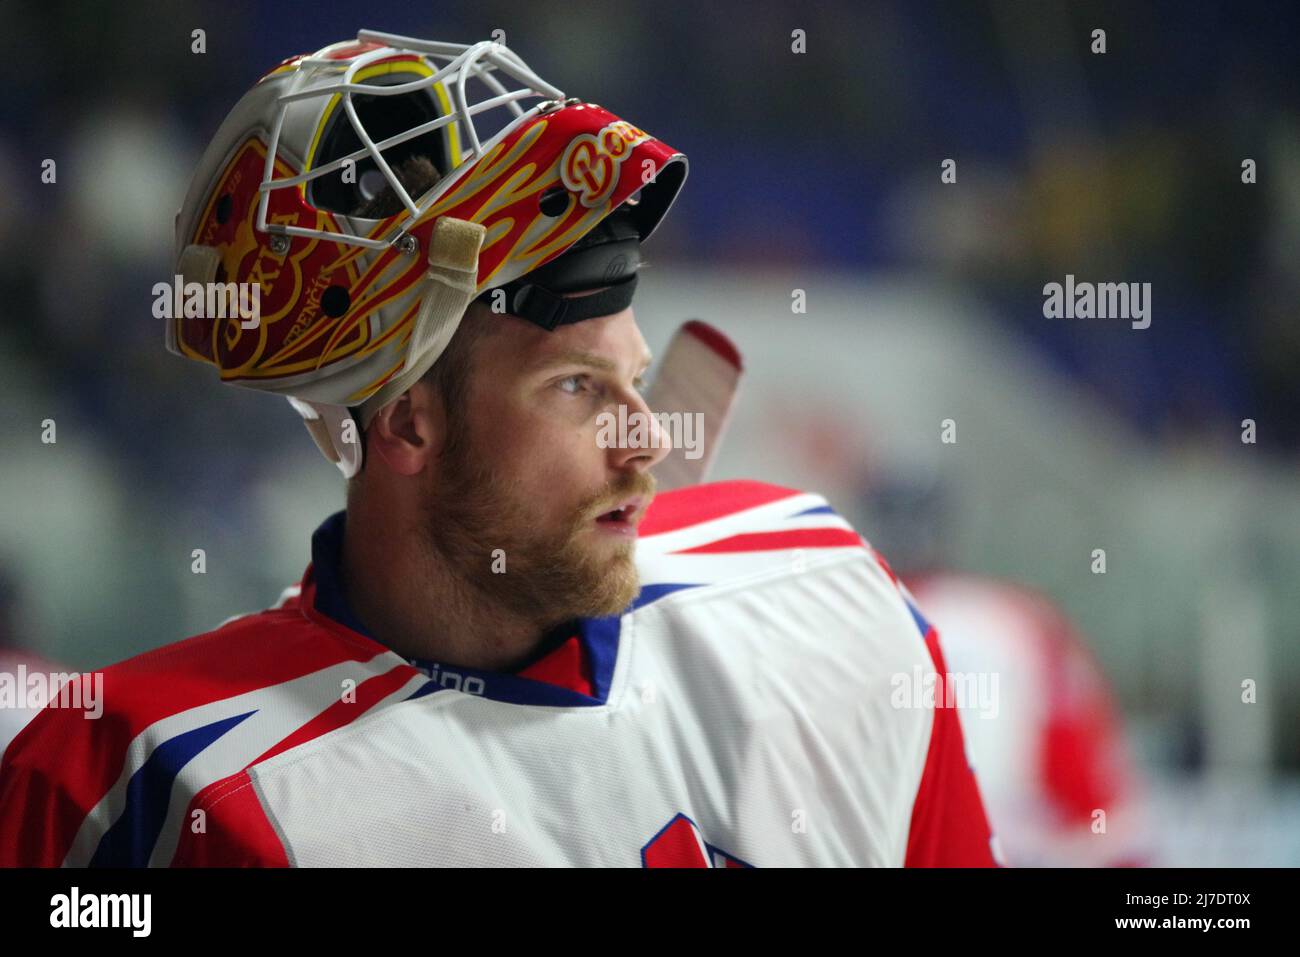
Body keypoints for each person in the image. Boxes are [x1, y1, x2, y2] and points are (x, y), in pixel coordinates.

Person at [0, 30, 996, 867]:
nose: (649, 435)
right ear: (404, 424)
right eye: (578, 388)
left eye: (634, 380)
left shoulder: (823, 593)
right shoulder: (135, 784)